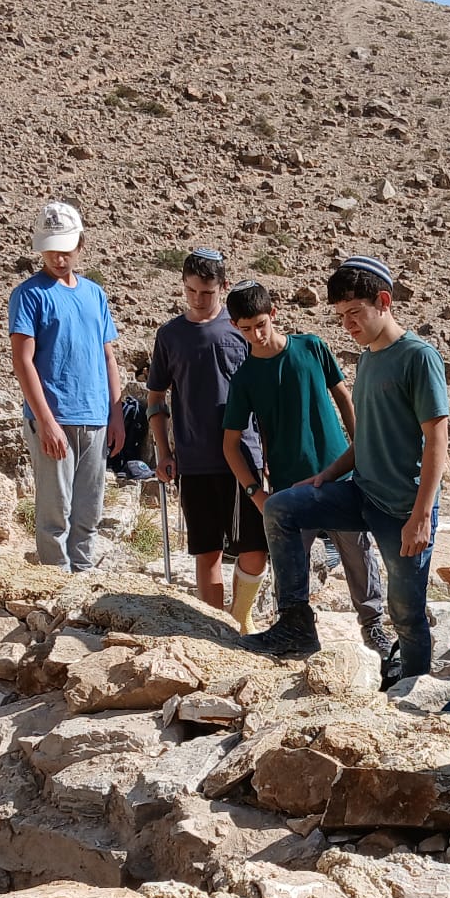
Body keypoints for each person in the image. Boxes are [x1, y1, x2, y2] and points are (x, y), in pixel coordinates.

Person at [245, 256, 450, 679]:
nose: (347, 324)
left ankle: (413, 683)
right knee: (281, 507)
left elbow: (437, 442)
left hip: (403, 509)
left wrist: (421, 516)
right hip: (361, 492)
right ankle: (296, 624)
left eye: (355, 312)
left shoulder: (418, 357)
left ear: (384, 302)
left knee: (406, 611)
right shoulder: (369, 358)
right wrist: (328, 475)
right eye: (341, 315)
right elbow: (367, 438)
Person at [222, 278, 391, 651]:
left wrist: (363, 450)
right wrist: (256, 494)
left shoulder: (312, 346)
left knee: (358, 553)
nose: (256, 335)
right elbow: (230, 445)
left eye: (261, 325)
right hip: (290, 487)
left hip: (341, 474)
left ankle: (374, 628)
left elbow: (344, 398)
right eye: (246, 329)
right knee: (289, 564)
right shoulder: (245, 377)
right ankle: (294, 629)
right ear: (234, 326)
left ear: (274, 314)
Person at [146, 248, 269, 627]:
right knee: (207, 552)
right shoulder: (170, 335)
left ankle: (241, 617)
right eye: (191, 291)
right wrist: (163, 451)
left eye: (207, 292)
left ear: (223, 287)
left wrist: (270, 456)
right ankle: (216, 629)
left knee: (255, 550)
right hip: (194, 460)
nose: (198, 299)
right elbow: (155, 397)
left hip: (244, 457)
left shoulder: (240, 330)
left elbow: (264, 395)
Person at [9, 199, 123, 572]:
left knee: (89, 509)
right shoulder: (29, 295)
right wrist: (46, 421)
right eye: (52, 250)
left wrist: (116, 414)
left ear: (80, 245)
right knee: (55, 513)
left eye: (66, 249)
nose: (59, 258)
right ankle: (55, 582)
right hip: (54, 417)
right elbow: (23, 360)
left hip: (95, 417)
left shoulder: (95, 294)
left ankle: (82, 580)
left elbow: (108, 357)